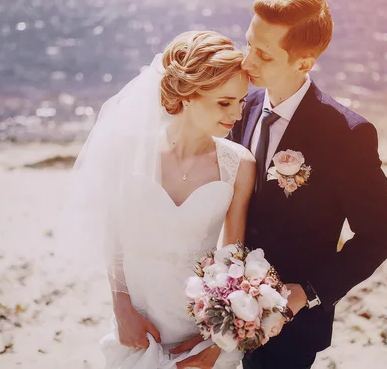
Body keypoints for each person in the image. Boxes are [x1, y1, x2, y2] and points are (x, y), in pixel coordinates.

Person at [60, 30, 255, 369]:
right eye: (224, 102)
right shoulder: (130, 151)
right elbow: (114, 233)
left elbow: (233, 256)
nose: (236, 114)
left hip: (199, 328)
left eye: (241, 102)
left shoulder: (239, 164)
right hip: (139, 321)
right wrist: (122, 309)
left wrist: (216, 336)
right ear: (189, 95)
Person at [229, 0, 387, 369]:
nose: (246, 61)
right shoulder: (241, 107)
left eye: (263, 54)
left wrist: (307, 293)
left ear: (304, 63)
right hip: (226, 301)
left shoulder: (348, 135)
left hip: (291, 326)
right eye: (249, 44)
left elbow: (380, 234)